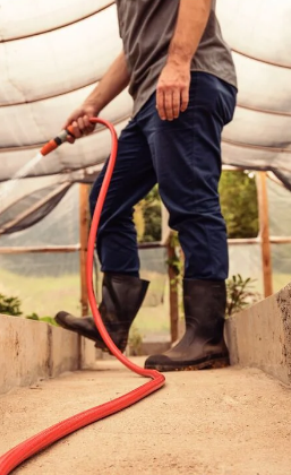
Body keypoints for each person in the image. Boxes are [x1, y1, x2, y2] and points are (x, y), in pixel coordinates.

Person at [55, 0, 237, 372]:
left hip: (188, 80)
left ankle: (206, 336)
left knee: (190, 201)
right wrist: (92, 104)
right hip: (148, 99)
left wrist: (178, 63)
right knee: (107, 198)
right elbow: (134, 49)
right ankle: (113, 321)